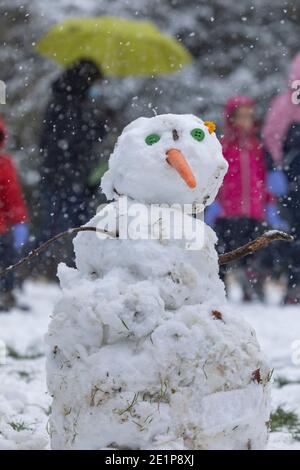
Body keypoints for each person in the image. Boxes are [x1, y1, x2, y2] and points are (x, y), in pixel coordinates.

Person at [206, 95, 286, 301]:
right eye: (240, 116)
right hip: (227, 211)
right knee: (223, 250)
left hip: (254, 210)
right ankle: (218, 288)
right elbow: (214, 175)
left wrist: (270, 201)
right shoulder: (222, 147)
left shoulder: (258, 147)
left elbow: (264, 176)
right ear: (230, 119)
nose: (245, 121)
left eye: (248, 116)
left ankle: (252, 282)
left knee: (254, 250)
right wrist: (214, 200)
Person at [39, 59, 107, 243]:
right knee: (64, 232)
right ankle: (53, 268)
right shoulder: (67, 105)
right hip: (66, 178)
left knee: (67, 230)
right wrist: (96, 128)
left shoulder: (73, 103)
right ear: (86, 81)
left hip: (73, 178)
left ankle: (50, 266)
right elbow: (71, 141)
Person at [263, 52, 300, 303]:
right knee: (293, 233)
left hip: (291, 179)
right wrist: (278, 170)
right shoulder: (284, 105)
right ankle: (293, 283)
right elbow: (271, 138)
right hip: (292, 182)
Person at [0, 115, 29, 311]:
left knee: (6, 259)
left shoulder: (4, 165)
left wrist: (19, 221)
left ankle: (5, 293)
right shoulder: (3, 164)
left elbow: (12, 197)